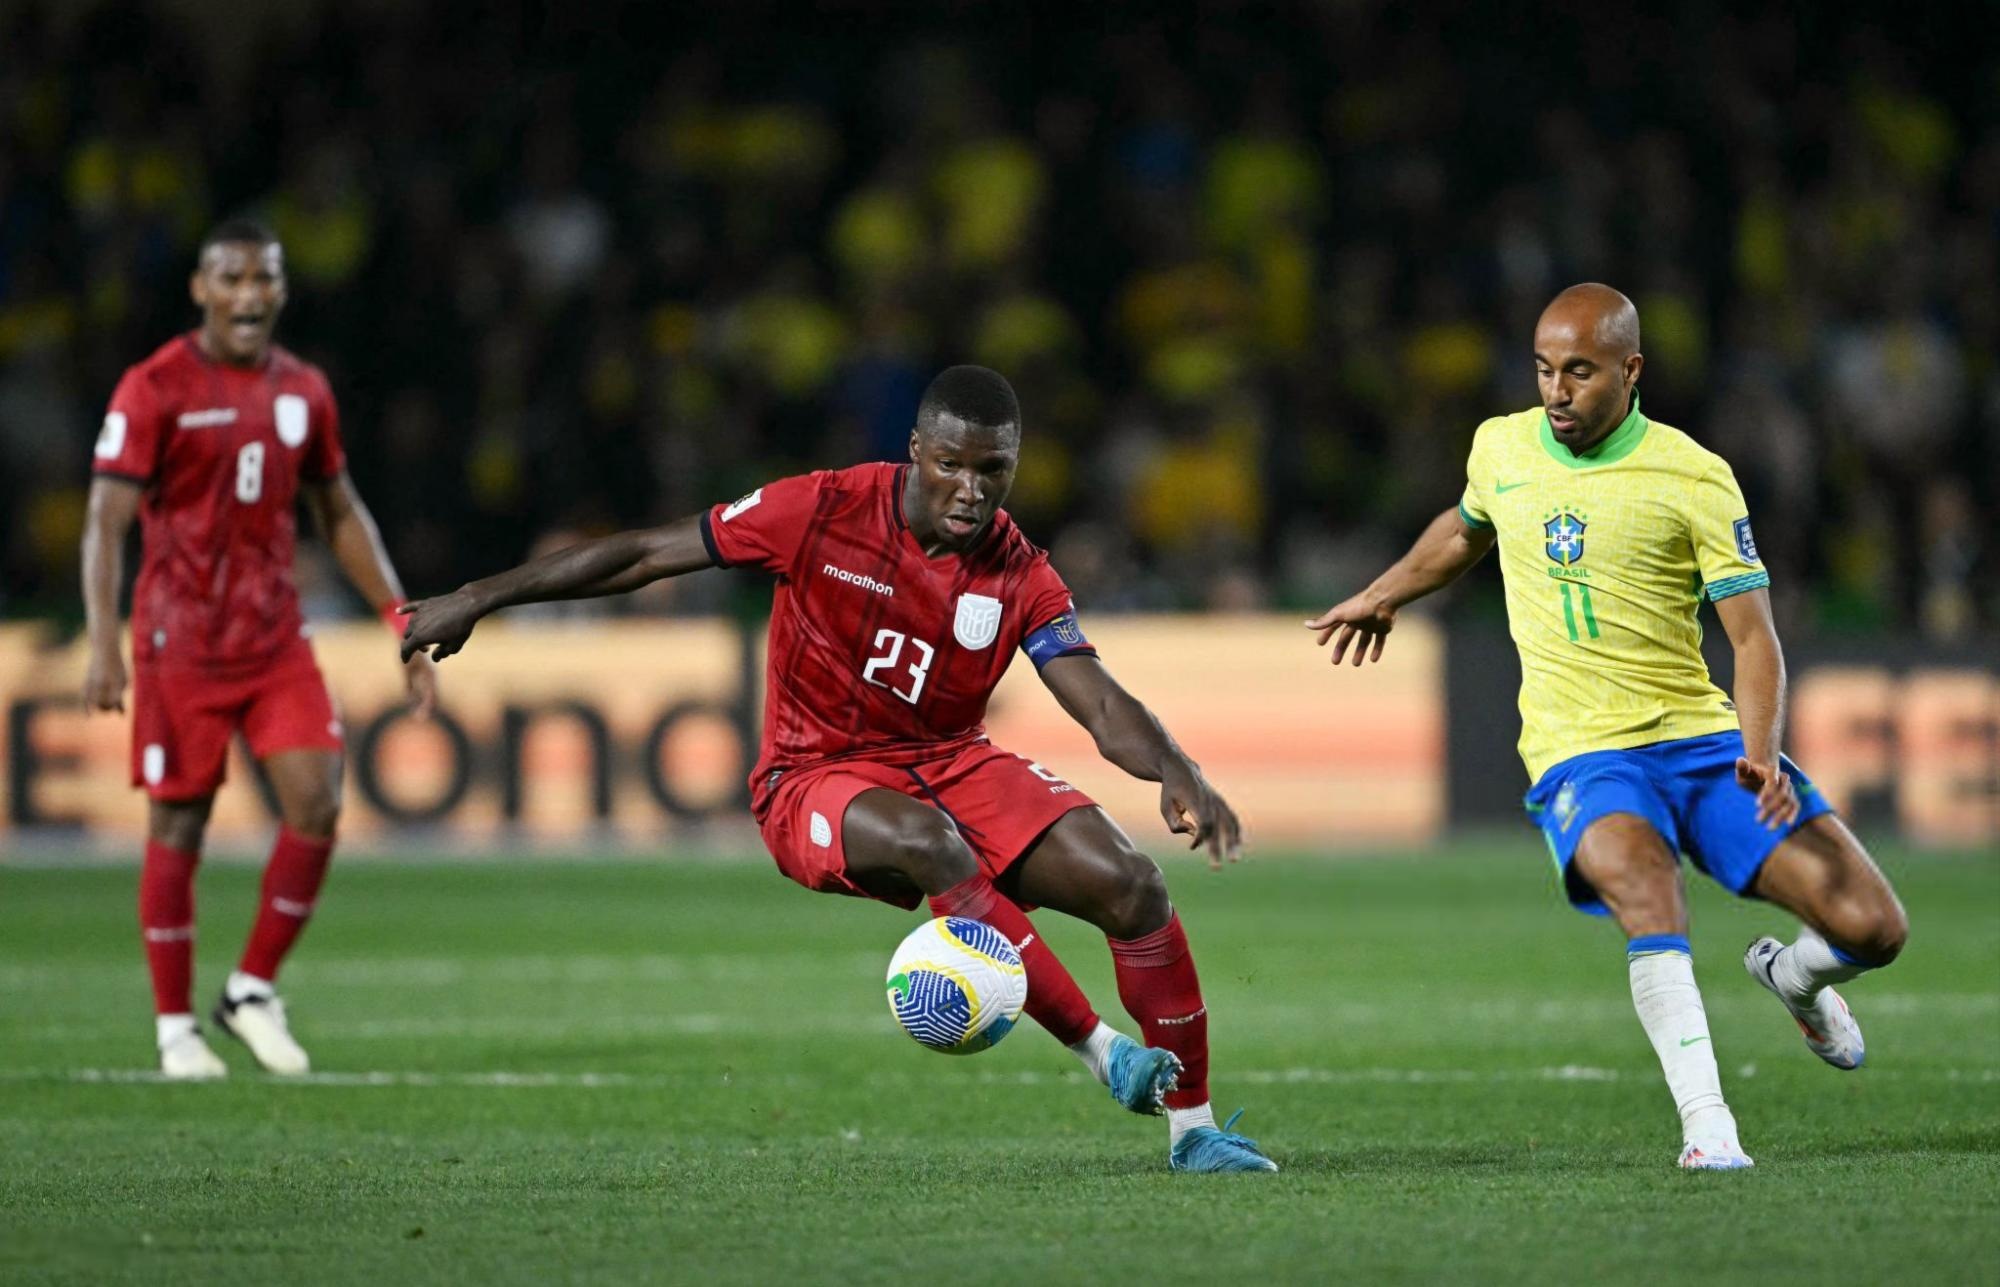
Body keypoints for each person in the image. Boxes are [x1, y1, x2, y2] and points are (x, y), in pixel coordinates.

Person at [400, 365, 1277, 1173]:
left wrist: (1173, 764)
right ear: (916, 452)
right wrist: (480, 595)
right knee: (934, 844)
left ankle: (1194, 1129)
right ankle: (1103, 1051)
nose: (971, 490)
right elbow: (642, 553)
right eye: (952, 465)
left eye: (994, 470)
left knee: (1133, 885)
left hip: (950, 761)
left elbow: (1096, 699)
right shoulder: (819, 510)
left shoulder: (1018, 570)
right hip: (810, 775)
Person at [1307, 284, 1908, 1170]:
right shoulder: (1501, 446)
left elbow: (1754, 637)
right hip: (1583, 751)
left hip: (1704, 745)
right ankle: (1709, 1127)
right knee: (1645, 886)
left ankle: (1795, 976)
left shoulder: (1693, 474)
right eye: (1545, 370)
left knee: (1874, 925)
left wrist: (1761, 751)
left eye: (1579, 373)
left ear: (1630, 371)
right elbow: (1467, 529)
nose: (1557, 391)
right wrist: (1385, 591)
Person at [82, 219, 438, 1079]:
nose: (250, 294)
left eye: (265, 279)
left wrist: (403, 617)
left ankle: (249, 989)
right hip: (181, 643)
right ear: (201, 289)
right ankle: (175, 1028)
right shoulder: (154, 386)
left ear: (281, 289)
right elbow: (105, 519)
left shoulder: (304, 391)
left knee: (316, 800)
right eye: (233, 278)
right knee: (180, 822)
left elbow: (340, 510)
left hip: (275, 637)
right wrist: (105, 640)